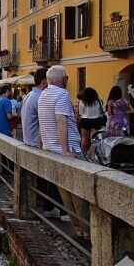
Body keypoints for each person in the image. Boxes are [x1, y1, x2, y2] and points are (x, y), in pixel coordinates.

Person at [38, 65, 87, 239]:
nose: (68, 80)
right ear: (63, 79)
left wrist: (41, 143)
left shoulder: (43, 94)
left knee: (65, 193)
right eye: (67, 77)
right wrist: (66, 150)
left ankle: (79, 229)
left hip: (50, 150)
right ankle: (87, 231)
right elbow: (60, 120)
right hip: (66, 150)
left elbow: (42, 121)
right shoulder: (62, 94)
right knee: (80, 193)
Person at [78, 87, 105, 153]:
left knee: (84, 138)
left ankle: (83, 152)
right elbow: (101, 112)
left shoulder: (82, 102)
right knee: (93, 138)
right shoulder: (99, 101)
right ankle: (93, 154)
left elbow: (80, 113)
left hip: (85, 120)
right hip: (95, 120)